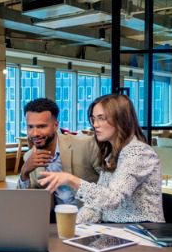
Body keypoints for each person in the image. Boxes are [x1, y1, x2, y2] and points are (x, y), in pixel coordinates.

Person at [38, 93, 164, 224]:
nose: (95, 125)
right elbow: (97, 206)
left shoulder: (139, 152)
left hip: (143, 229)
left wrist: (72, 180)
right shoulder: (111, 154)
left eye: (101, 118)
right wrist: (71, 225)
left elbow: (113, 199)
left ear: (121, 119)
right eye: (93, 119)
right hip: (116, 229)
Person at [17, 97, 102, 208]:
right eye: (30, 127)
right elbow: (24, 202)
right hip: (56, 216)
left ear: (55, 126)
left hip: (91, 214)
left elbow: (110, 188)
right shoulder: (30, 157)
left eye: (41, 126)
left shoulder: (86, 145)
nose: (34, 133)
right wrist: (24, 172)